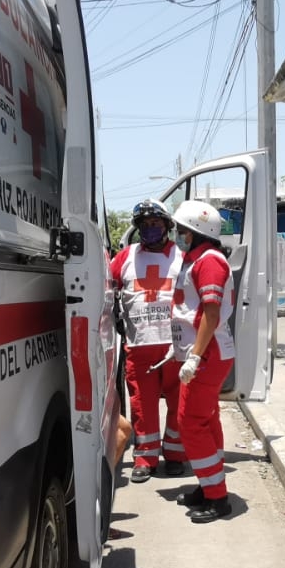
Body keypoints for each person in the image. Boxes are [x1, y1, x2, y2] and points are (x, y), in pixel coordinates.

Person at [109, 200, 187, 483]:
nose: (150, 229)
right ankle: (145, 458)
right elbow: (107, 287)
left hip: (175, 345)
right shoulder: (125, 257)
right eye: (144, 225)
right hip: (140, 345)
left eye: (155, 223)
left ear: (167, 226)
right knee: (143, 406)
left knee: (180, 405)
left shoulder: (181, 257)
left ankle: (176, 455)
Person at [170, 199, 237, 523]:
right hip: (202, 351)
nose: (178, 235)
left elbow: (211, 312)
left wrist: (194, 356)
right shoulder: (196, 259)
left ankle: (217, 496)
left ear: (196, 231)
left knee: (191, 423)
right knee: (206, 420)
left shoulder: (209, 261)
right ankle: (208, 484)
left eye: (182, 230)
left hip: (208, 354)